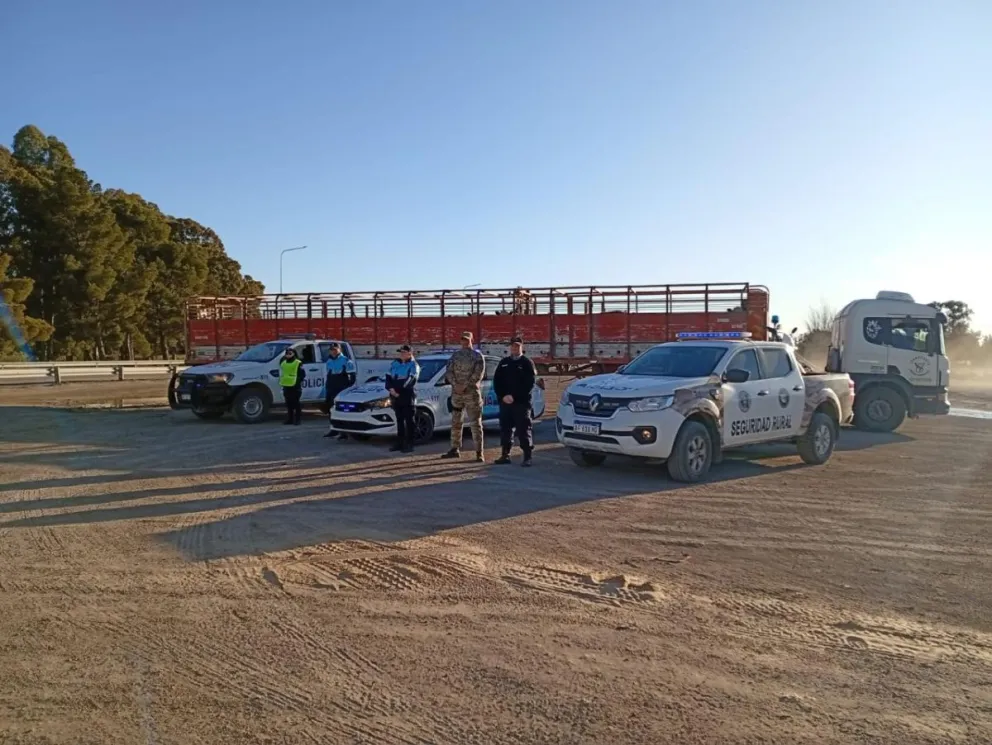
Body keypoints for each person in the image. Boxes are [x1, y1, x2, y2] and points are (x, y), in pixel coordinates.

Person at [441, 331, 485, 462]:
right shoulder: (455, 356)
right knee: (455, 422)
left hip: (471, 394)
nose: (464, 342)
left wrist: (464, 385)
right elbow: (449, 372)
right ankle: (454, 449)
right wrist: (456, 385)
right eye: (462, 340)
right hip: (457, 394)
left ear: (471, 340)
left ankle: (479, 452)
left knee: (475, 424)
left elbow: (478, 374)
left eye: (467, 339)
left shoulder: (477, 356)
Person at [492, 336, 536, 466]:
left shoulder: (527, 363)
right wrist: (503, 396)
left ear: (522, 347)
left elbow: (530, 384)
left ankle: (527, 457)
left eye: (517, 346)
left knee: (523, 429)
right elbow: (497, 381)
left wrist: (515, 397)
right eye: (513, 346)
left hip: (521, 404)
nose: (514, 348)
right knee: (505, 429)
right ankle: (505, 455)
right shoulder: (504, 363)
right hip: (506, 403)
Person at [386, 345, 420, 453]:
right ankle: (399, 443)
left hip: (407, 395)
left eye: (404, 352)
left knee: (409, 421)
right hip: (395, 395)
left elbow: (411, 380)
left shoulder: (413, 365)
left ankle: (410, 444)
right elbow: (388, 377)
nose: (401, 354)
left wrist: (398, 391)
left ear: (410, 353)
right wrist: (391, 390)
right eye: (400, 352)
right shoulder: (395, 364)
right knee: (399, 420)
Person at [322, 342, 357, 439]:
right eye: (332, 350)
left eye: (335, 349)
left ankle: (343, 432)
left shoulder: (346, 361)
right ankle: (334, 429)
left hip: (341, 389)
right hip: (331, 388)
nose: (333, 351)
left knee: (341, 410)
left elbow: (352, 378)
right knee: (331, 410)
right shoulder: (329, 361)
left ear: (339, 350)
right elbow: (328, 375)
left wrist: (345, 388)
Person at [279, 347, 306, 425]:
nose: (288, 355)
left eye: (290, 353)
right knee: (288, 404)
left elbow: (302, 375)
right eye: (286, 353)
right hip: (286, 385)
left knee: (296, 404)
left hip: (295, 386)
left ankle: (298, 420)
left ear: (294, 354)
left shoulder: (298, 362)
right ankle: (290, 419)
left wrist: (297, 382)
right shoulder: (283, 363)